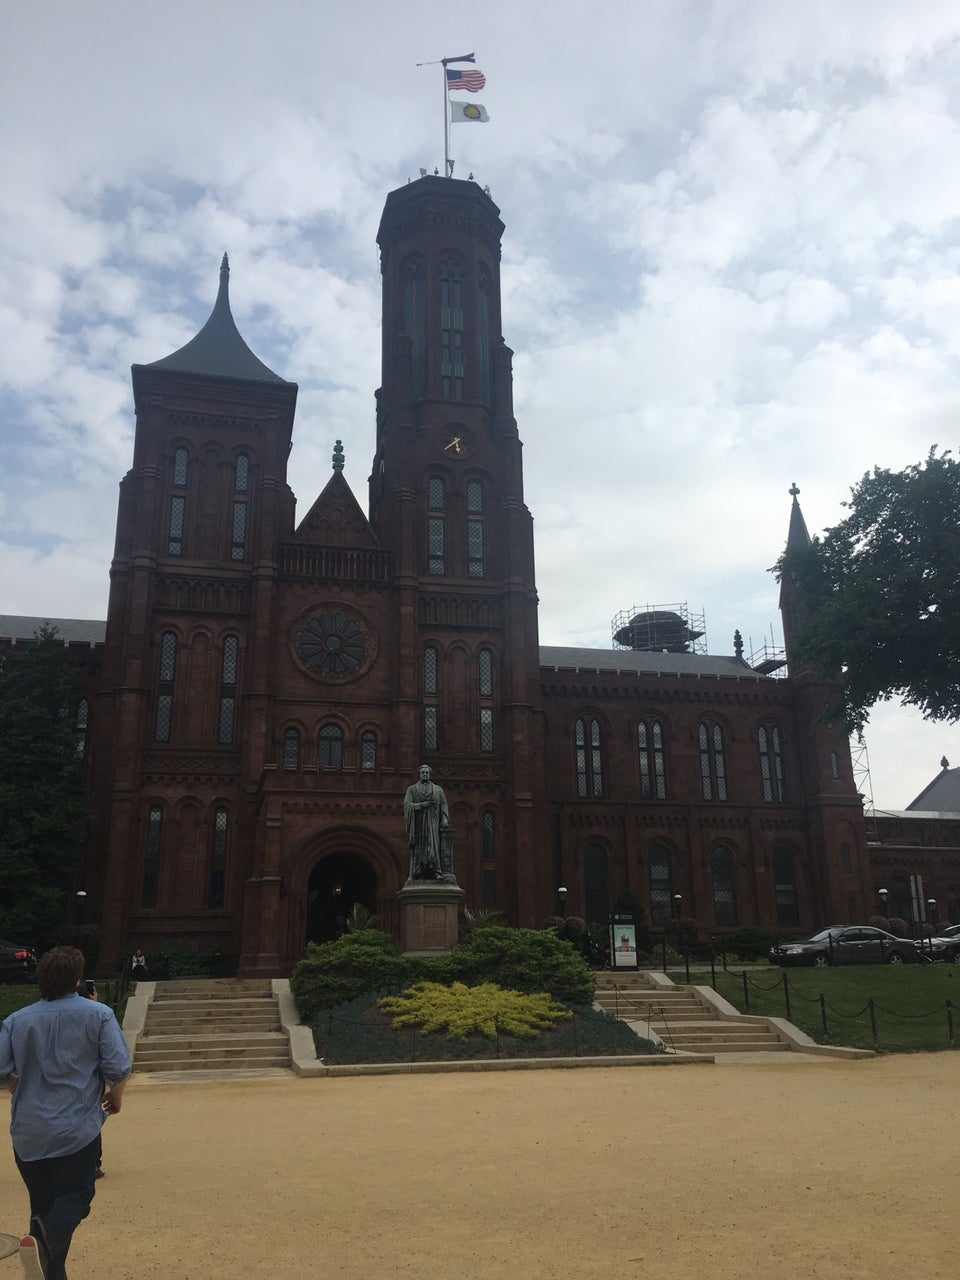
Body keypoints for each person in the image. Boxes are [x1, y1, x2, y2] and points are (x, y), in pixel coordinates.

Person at [0, 946, 131, 1280]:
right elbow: (117, 1065)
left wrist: (18, 1088)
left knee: (42, 1210)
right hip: (76, 1130)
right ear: (76, 979)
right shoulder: (98, 1014)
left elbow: (0, 1071)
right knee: (77, 1195)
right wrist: (115, 1097)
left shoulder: (16, 1021)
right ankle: (43, 1241)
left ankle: (45, 1259)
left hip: (29, 1134)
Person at [403, 764, 450, 880]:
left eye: (426, 772)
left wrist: (444, 819)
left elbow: (444, 805)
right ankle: (419, 871)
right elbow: (407, 805)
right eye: (422, 772)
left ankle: (436, 871)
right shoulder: (412, 789)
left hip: (433, 824)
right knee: (420, 848)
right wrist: (420, 805)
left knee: (434, 846)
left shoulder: (438, 790)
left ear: (429, 774)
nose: (424, 774)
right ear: (419, 774)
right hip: (418, 825)